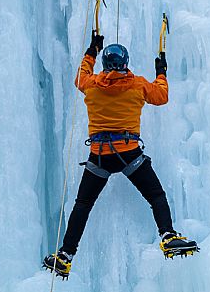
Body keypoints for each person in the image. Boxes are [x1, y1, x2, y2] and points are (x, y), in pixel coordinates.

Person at [43, 31, 198, 278]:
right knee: (156, 195)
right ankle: (168, 236)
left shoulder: (92, 85)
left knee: (83, 205)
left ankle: (65, 255)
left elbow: (80, 77)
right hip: (129, 155)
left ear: (105, 65)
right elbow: (161, 96)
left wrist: (92, 50)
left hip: (99, 157)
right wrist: (161, 71)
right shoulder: (137, 85)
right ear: (126, 64)